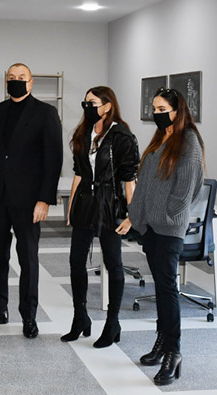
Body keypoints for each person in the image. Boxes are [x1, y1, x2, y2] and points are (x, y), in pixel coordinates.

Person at [0, 62, 63, 339]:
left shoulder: (45, 113)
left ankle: (29, 316)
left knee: (28, 259)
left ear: (31, 83)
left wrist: (45, 199)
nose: (16, 80)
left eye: (22, 77)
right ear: (6, 81)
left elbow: (53, 159)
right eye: (12, 77)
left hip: (29, 200)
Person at [122, 87, 204, 386]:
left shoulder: (188, 141)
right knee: (160, 286)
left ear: (177, 111)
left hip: (169, 227)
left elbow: (187, 189)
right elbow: (144, 183)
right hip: (151, 228)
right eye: (154, 109)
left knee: (168, 288)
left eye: (161, 109)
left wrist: (165, 215)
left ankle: (173, 352)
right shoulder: (160, 138)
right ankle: (162, 341)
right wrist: (135, 215)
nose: (156, 114)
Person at [61, 86, 138, 348]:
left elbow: (129, 180)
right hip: (84, 203)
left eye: (92, 103)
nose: (88, 107)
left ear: (107, 106)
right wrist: (71, 208)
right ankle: (80, 317)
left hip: (109, 205)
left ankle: (112, 322)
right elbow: (79, 174)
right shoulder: (83, 133)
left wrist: (132, 214)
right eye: (85, 103)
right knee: (75, 261)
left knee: (113, 263)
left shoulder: (122, 136)